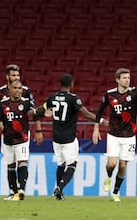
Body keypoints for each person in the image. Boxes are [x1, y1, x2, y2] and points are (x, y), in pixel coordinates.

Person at [31, 73, 108, 201]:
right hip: (69, 138)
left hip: (56, 138)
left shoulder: (52, 97)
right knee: (72, 164)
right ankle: (60, 188)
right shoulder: (73, 98)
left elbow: (39, 111)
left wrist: (34, 113)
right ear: (71, 84)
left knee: (61, 164)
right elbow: (85, 113)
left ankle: (58, 193)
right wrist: (101, 120)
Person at [92, 68, 137, 201]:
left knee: (122, 166)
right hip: (113, 134)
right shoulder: (109, 94)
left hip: (129, 136)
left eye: (128, 78)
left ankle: (116, 192)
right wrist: (96, 128)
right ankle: (109, 177)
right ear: (117, 80)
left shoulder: (135, 92)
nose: (127, 80)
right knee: (111, 164)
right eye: (124, 78)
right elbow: (99, 112)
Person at [0, 64, 43, 199]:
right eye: (13, 75)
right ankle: (13, 192)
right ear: (7, 77)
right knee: (10, 164)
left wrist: (39, 129)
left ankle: (21, 190)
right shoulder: (0, 93)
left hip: (22, 135)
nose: (15, 78)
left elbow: (34, 111)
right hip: (7, 134)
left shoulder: (26, 92)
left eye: (17, 75)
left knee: (23, 161)